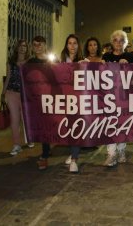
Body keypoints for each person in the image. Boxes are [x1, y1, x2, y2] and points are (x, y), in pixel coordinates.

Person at [102, 30, 133, 166]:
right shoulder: (106, 56)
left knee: (122, 124)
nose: (118, 43)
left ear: (125, 42)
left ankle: (122, 150)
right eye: (115, 40)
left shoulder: (131, 56)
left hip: (125, 96)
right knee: (110, 123)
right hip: (109, 97)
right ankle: (111, 154)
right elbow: (98, 74)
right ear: (112, 42)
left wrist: (127, 66)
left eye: (121, 40)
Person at [1, 39, 32, 155]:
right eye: (20, 46)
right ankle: (16, 144)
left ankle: (29, 138)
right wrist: (3, 93)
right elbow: (8, 77)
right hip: (11, 93)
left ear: (27, 48)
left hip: (26, 94)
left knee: (26, 119)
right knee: (14, 119)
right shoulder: (11, 62)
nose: (22, 48)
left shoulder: (30, 62)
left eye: (24, 46)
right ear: (16, 48)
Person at [27, 35, 52, 170]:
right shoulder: (29, 63)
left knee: (49, 126)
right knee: (43, 127)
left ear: (45, 46)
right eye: (35, 45)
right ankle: (45, 154)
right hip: (37, 99)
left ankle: (46, 151)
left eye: (40, 44)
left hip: (50, 98)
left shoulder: (51, 61)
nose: (37, 47)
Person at [60, 34, 83, 173]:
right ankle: (73, 153)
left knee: (76, 128)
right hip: (64, 100)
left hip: (79, 100)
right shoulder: (60, 61)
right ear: (66, 45)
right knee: (68, 129)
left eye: (75, 43)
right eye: (70, 43)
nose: (72, 46)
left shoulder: (83, 60)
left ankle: (74, 160)